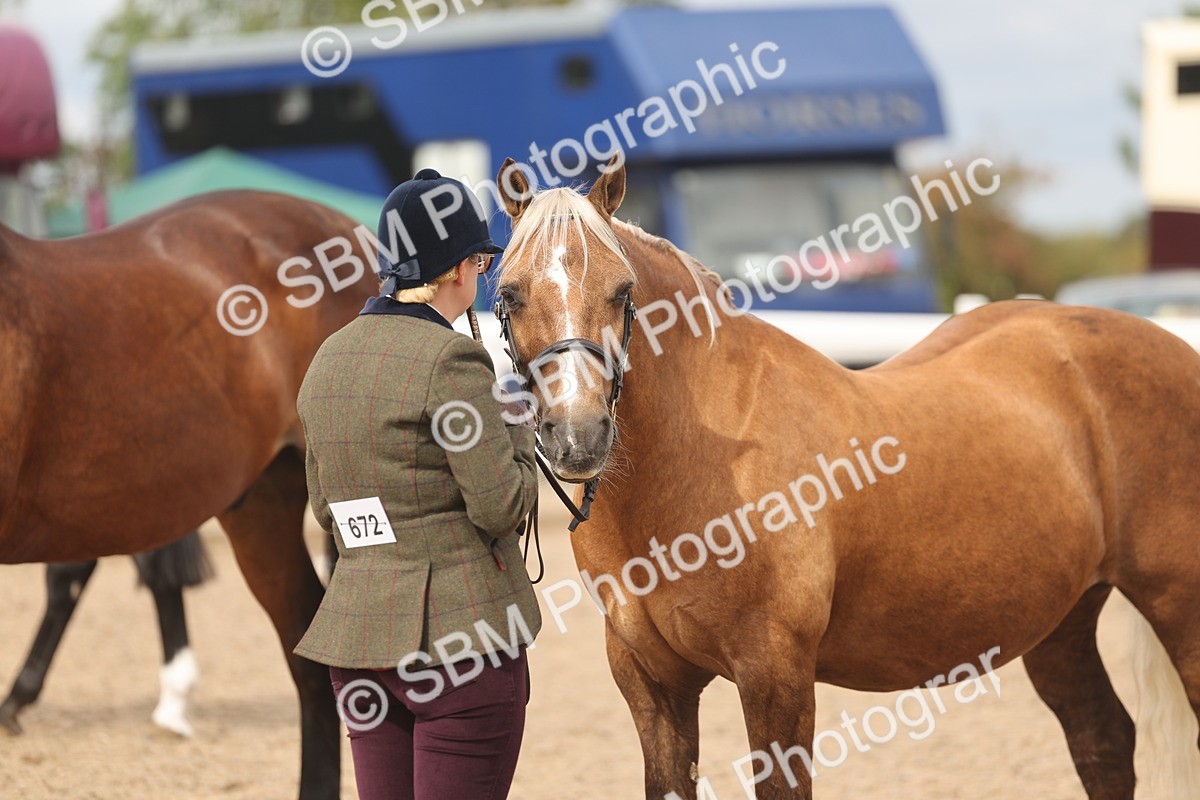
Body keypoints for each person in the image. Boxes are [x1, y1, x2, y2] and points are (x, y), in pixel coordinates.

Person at [294, 168, 540, 800]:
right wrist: (515, 427)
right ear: (457, 268)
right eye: (481, 262)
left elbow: (327, 509)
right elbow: (499, 508)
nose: (480, 276)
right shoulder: (454, 360)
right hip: (462, 646)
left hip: (357, 644)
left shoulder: (328, 358)